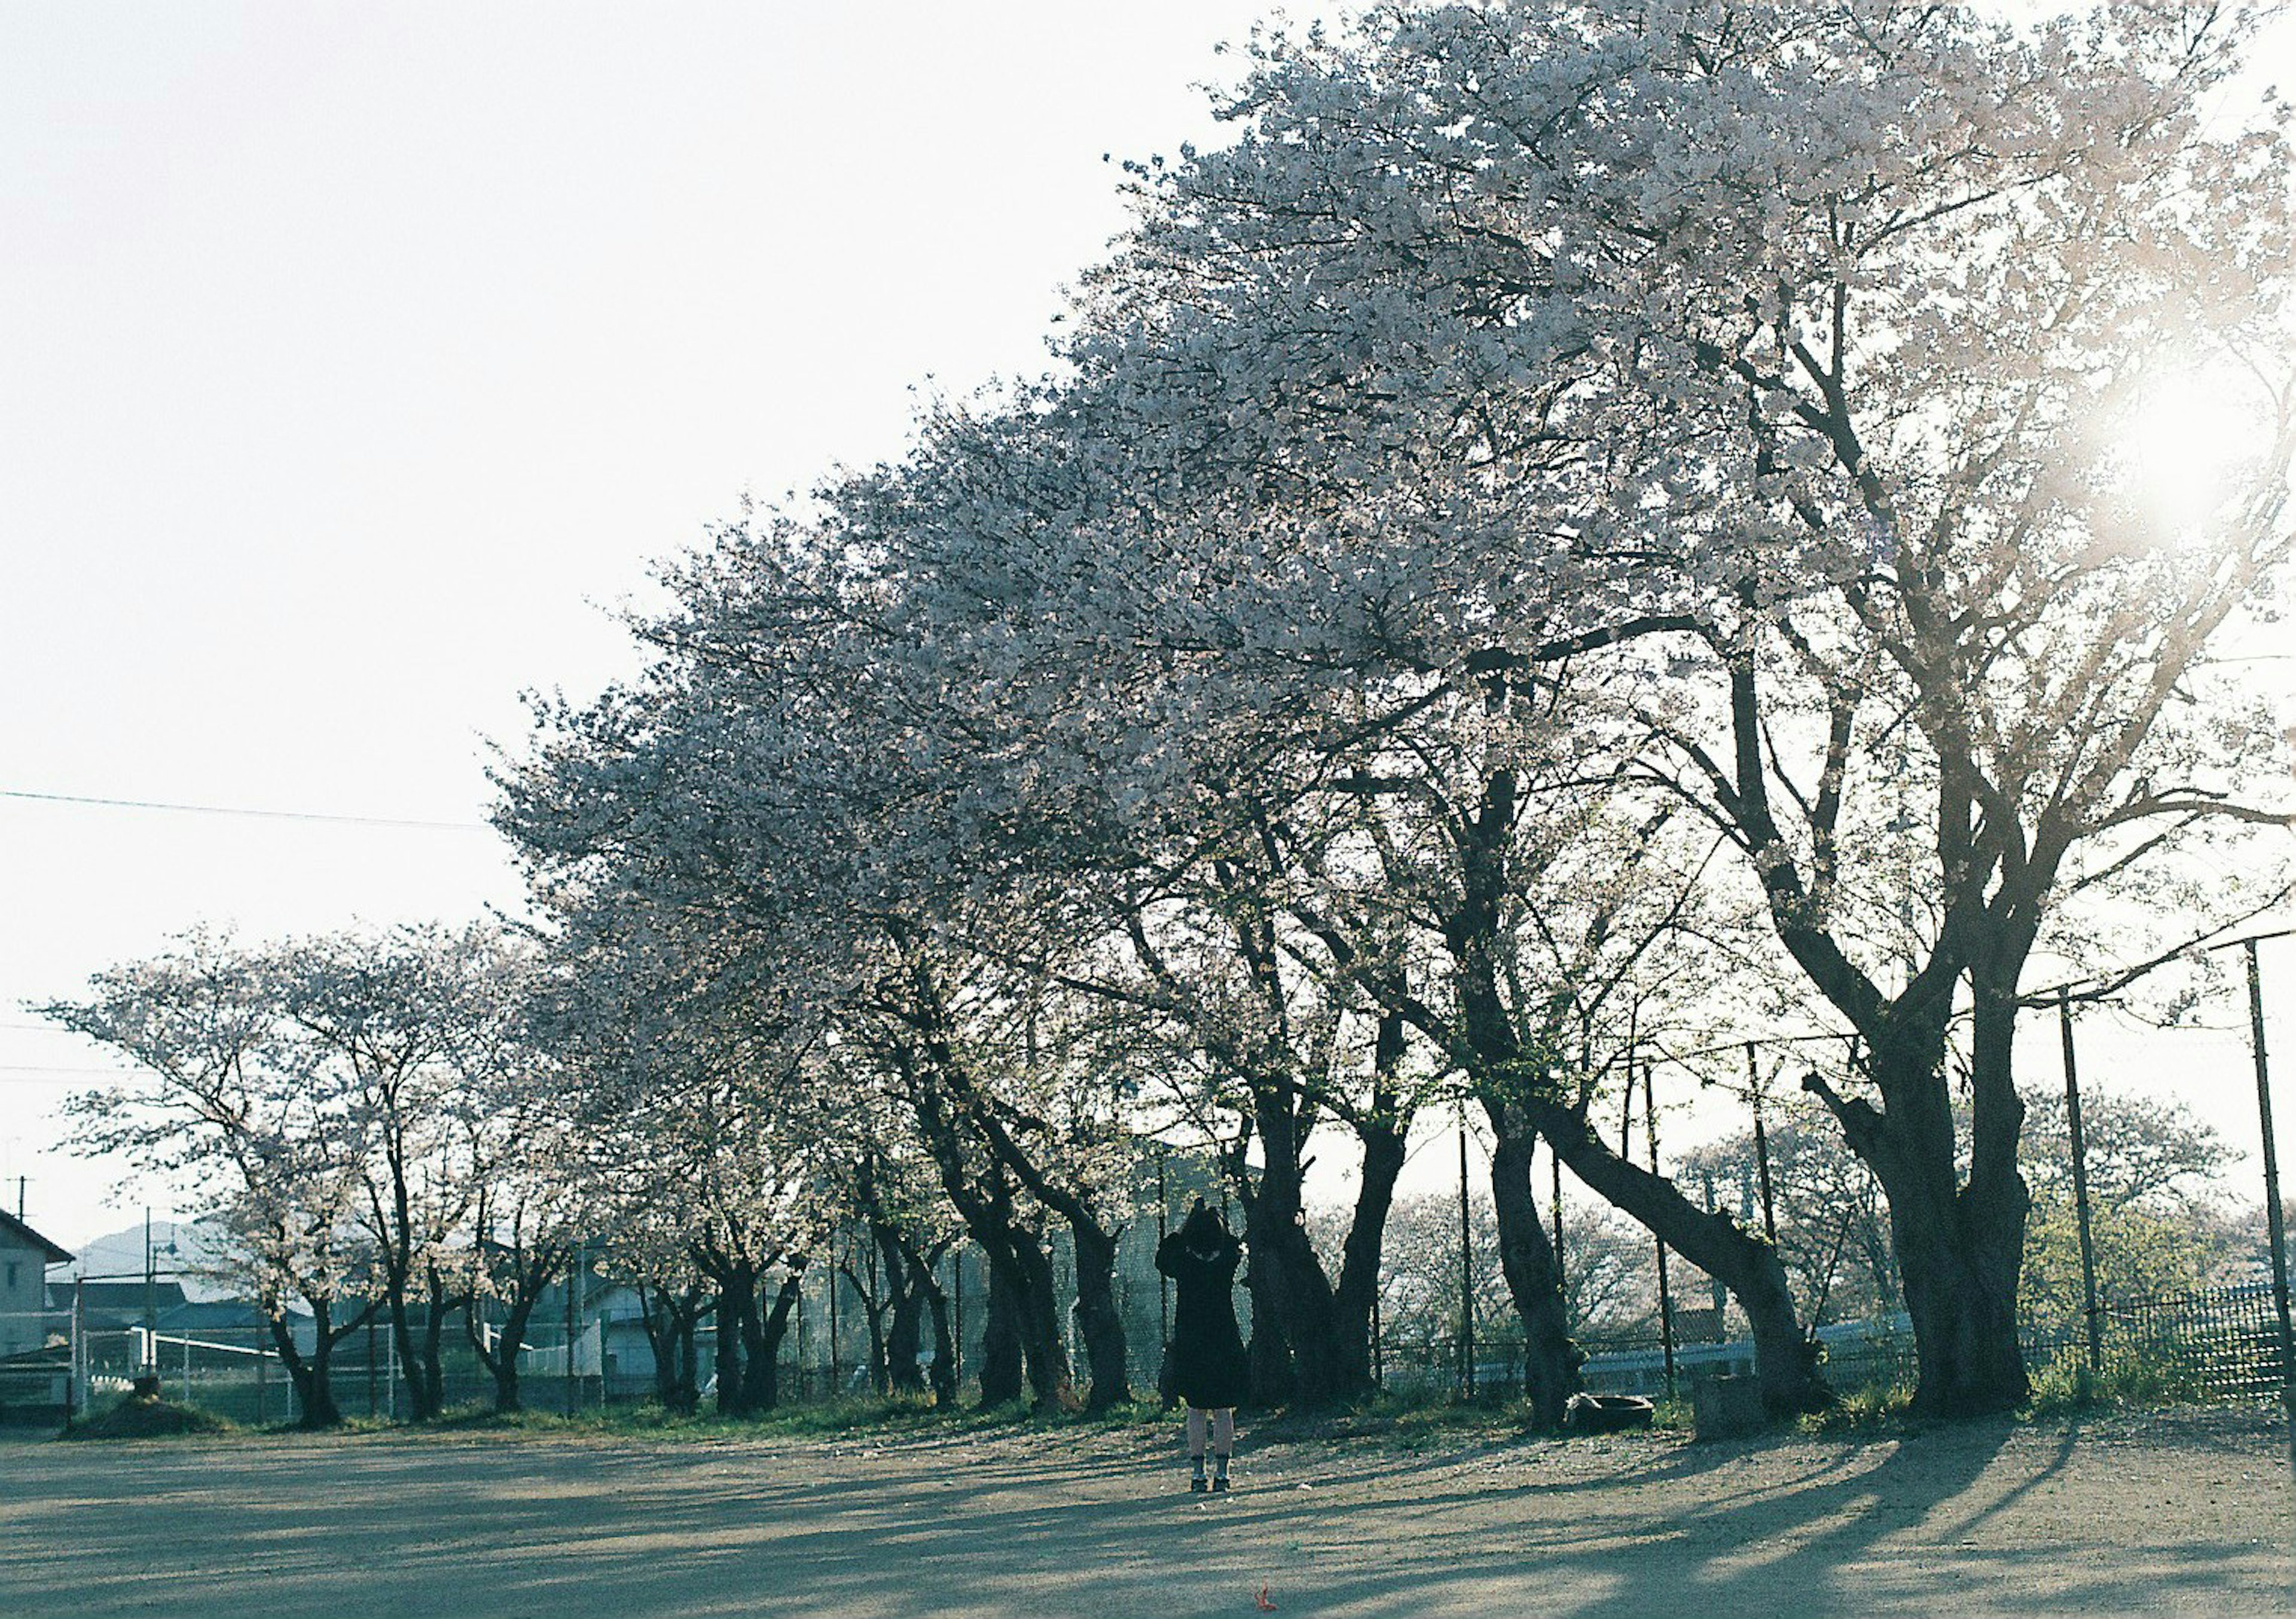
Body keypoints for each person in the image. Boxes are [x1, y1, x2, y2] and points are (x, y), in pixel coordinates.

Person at [1154, 1198, 1247, 1493]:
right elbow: (1234, 1244)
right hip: (1224, 1337)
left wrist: (1184, 1230)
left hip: (1192, 1339)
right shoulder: (1226, 1260)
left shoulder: (1183, 1261)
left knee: (1196, 1409)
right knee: (1223, 1410)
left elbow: (1162, 1257)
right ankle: (1223, 1473)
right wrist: (1215, 1221)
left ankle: (1197, 1473)